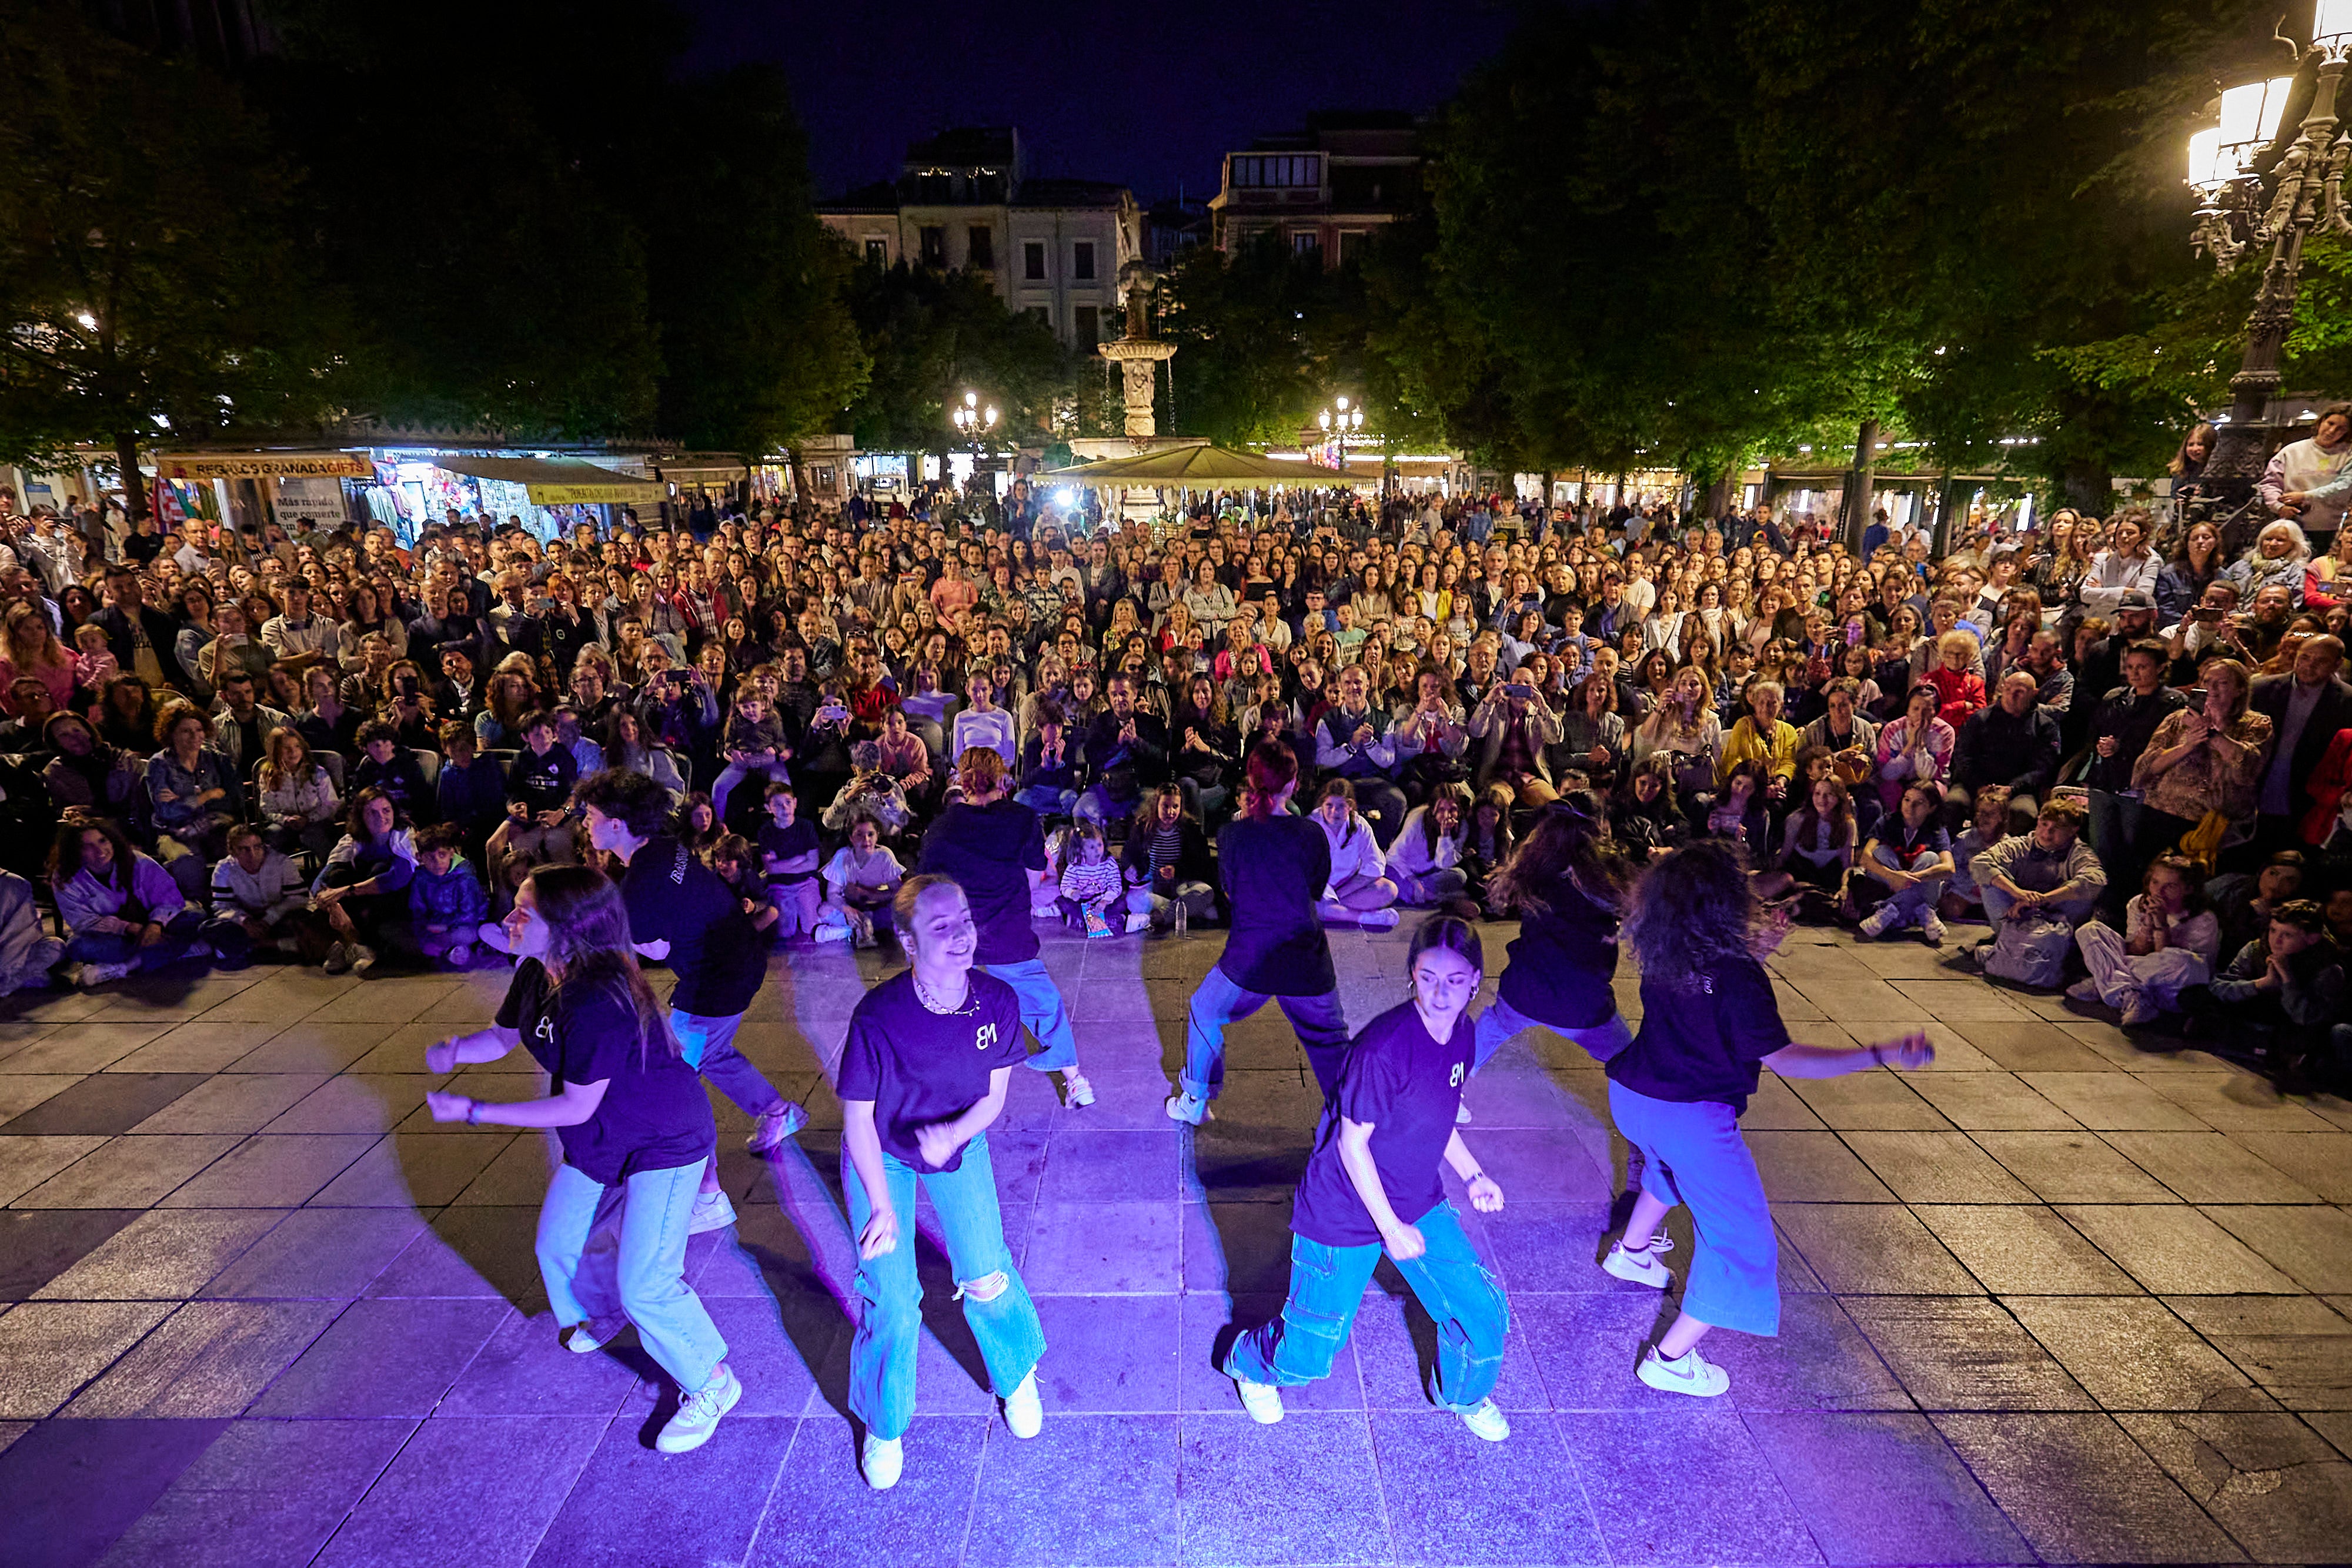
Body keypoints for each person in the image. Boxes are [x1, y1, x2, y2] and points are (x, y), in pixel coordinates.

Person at [422, 865, 739, 1455]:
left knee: (647, 1282)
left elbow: (574, 1104)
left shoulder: (596, 997)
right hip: (603, 1136)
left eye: (524, 912)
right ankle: (606, 1309)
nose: (510, 918)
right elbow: (503, 1037)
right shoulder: (537, 971)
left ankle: (711, 1381)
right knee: (558, 1245)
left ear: (565, 929)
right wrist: (455, 1050)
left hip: (663, 1141)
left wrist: (476, 1111)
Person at [1602, 840, 1932, 1397]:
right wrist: (1879, 1052)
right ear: (1726, 902)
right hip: (1689, 1117)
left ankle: (1632, 1253)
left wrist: (1756, 953)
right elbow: (1785, 1058)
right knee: (1741, 1240)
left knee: (1667, 1167)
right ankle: (1671, 1360)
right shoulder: (1737, 974)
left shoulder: (1665, 950)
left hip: (1633, 1097)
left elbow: (1706, 992)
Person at [1224, 916, 1511, 1440]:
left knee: (1481, 1311)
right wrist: (1391, 1228)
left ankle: (1463, 1394)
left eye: (1454, 980)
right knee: (1312, 1351)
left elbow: (1439, 1112)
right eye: (1428, 977)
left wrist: (1473, 1174)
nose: (1441, 994)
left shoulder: (1463, 1034)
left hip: (1415, 1196)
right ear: (1412, 973)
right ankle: (1251, 1361)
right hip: (1343, 1209)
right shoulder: (1383, 1048)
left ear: (1475, 980)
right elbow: (1351, 1145)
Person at [837, 874, 1048, 1490]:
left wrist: (952, 1135)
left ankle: (1016, 1375)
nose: (961, 935)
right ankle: (884, 1423)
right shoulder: (878, 1016)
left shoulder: (996, 1000)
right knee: (893, 1297)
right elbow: (857, 1118)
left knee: (986, 1273)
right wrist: (882, 1207)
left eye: (964, 920)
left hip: (959, 1139)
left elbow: (994, 1098)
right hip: (882, 1153)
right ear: (908, 941)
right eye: (941, 926)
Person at [574, 767, 808, 1186]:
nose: (585, 824)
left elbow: (658, 950)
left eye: (591, 816)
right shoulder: (666, 846)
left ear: (616, 823)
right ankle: (776, 1112)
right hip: (738, 958)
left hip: (715, 980)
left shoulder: (639, 886)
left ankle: (699, 1179)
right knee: (710, 1053)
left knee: (674, 1073)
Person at [1168, 740, 1349, 1125]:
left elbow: (1232, 892)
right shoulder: (1312, 834)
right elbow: (1315, 891)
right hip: (1306, 959)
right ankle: (1354, 1122)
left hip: (1249, 960)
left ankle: (1196, 1099)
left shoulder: (1232, 835)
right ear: (1294, 784)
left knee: (1205, 1009)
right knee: (1330, 1040)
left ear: (1251, 782)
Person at [917, 748, 1093, 1104]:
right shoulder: (1023, 818)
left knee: (947, 1008)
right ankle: (1075, 1080)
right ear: (1003, 779)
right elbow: (1033, 879)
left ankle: (941, 1086)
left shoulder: (942, 827)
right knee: (1043, 1002)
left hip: (959, 937)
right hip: (1007, 933)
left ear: (961, 780)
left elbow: (926, 887)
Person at [1475, 795, 1636, 1074]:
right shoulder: (1603, 877)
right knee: (1630, 1062)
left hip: (1524, 993)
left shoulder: (1536, 868)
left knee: (1495, 1024)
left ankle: (1447, 1080)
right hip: (1581, 1004)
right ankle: (1639, 1094)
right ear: (1598, 828)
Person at [50, 814, 220, 986]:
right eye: (87, 846)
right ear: (74, 851)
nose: (100, 851)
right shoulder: (66, 877)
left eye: (103, 841)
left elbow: (169, 897)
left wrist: (156, 925)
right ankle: (183, 950)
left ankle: (125, 967)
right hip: (115, 935)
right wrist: (129, 928)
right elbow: (82, 921)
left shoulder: (138, 861)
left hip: (153, 924)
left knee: (194, 914)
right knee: (78, 946)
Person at [2069, 853, 2221, 1028]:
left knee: (2182, 960)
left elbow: (2165, 963)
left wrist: (2161, 926)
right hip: (2141, 967)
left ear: (2189, 889)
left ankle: (2107, 981)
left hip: (2175, 985)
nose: (2158, 891)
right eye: (2155, 882)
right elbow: (2136, 951)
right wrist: (2147, 927)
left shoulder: (2204, 919)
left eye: (2170, 886)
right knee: (2090, 930)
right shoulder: (2138, 903)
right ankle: (2130, 994)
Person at [1968, 797, 2107, 988]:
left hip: (2057, 925)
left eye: (2057, 828)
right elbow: (1980, 863)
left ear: (2073, 830)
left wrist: (2042, 900)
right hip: (2016, 917)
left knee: (2085, 889)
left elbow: (2096, 879)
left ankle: (2051, 956)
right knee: (1990, 880)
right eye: (2044, 824)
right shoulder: (2020, 845)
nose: (2047, 833)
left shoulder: (2079, 853)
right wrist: (2018, 894)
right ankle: (2008, 945)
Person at [1857, 780, 1955, 943]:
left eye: (1919, 803)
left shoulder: (1937, 829)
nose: (1911, 806)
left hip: (1920, 882)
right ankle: (1922, 913)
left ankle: (1889, 910)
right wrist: (1893, 876)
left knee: (1930, 858)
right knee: (1881, 853)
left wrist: (1911, 878)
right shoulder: (1888, 821)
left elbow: (1949, 868)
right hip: (1890, 882)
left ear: (1932, 808)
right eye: (1907, 800)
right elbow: (1865, 858)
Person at [1120, 784, 1217, 933]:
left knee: (1205, 892)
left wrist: (1177, 870)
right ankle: (1184, 911)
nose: (1170, 812)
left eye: (1175, 807)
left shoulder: (1191, 829)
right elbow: (1128, 853)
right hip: (1154, 888)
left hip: (1181, 887)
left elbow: (1201, 862)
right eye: (1165, 806)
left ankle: (1158, 917)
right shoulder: (1143, 827)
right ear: (1156, 806)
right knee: (1132, 899)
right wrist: (1130, 868)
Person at [1312, 778, 1401, 928]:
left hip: (1348, 890)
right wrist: (1328, 896)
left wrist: (1339, 895)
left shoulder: (1360, 826)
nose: (1334, 812)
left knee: (1389, 889)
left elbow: (1375, 866)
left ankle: (1332, 913)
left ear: (1350, 806)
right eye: (1329, 805)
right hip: (1321, 891)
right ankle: (1365, 917)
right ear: (1322, 804)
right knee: (1309, 903)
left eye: (1341, 806)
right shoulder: (1313, 824)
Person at [409, 823, 489, 969]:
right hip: (434, 926)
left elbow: (469, 915)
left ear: (451, 853)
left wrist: (443, 927)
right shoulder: (421, 878)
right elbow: (418, 911)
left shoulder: (465, 878)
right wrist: (426, 930)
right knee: (401, 933)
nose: (437, 862)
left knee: (466, 934)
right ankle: (449, 951)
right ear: (419, 857)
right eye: (430, 857)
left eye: (442, 855)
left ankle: (449, 951)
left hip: (464, 926)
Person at [756, 784, 823, 941]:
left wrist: (781, 865)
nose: (784, 808)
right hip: (780, 886)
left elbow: (813, 864)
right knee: (785, 932)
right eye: (778, 804)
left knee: (810, 928)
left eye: (788, 802)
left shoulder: (806, 826)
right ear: (768, 808)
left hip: (806, 882)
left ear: (795, 802)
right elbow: (771, 869)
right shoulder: (766, 831)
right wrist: (799, 859)